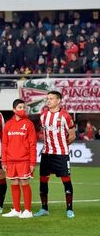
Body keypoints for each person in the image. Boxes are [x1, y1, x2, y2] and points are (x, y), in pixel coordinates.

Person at [35, 91, 77, 219]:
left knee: (66, 180)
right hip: (47, 154)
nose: (48, 101)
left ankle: (69, 209)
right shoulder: (43, 116)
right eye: (47, 98)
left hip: (61, 154)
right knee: (43, 180)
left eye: (51, 99)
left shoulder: (65, 116)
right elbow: (44, 133)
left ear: (58, 101)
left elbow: (72, 136)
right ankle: (44, 208)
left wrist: (62, 146)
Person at [1, 99, 37, 219]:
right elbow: (4, 144)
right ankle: (16, 210)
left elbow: (33, 144)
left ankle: (28, 210)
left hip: (24, 160)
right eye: (20, 107)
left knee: (24, 182)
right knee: (14, 182)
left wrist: (32, 162)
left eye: (24, 107)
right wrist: (4, 161)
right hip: (10, 160)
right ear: (14, 109)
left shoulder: (29, 124)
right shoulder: (8, 124)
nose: (23, 109)